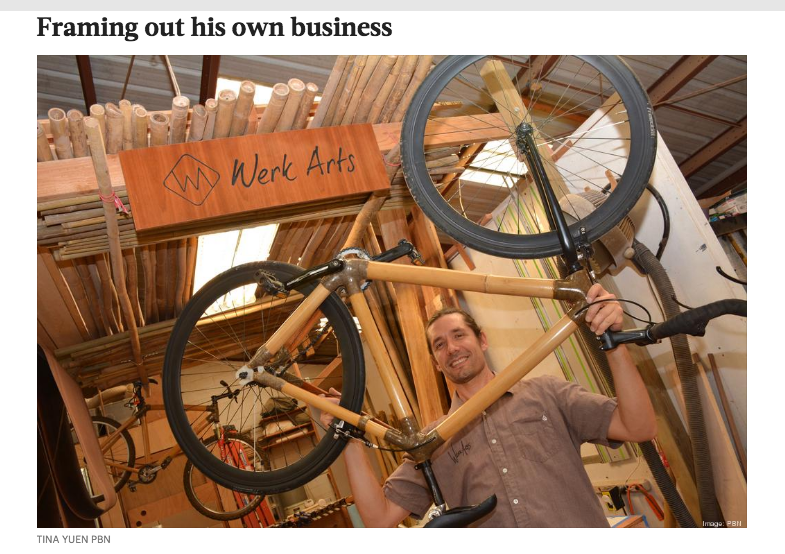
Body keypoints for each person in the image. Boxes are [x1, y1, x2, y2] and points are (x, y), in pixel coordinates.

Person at [319, 283, 657, 527]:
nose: (451, 349)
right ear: (436, 362)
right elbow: (378, 520)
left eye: (459, 335)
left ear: (482, 340)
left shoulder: (546, 394)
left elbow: (639, 427)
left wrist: (614, 344)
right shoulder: (431, 443)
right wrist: (346, 438)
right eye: (439, 345)